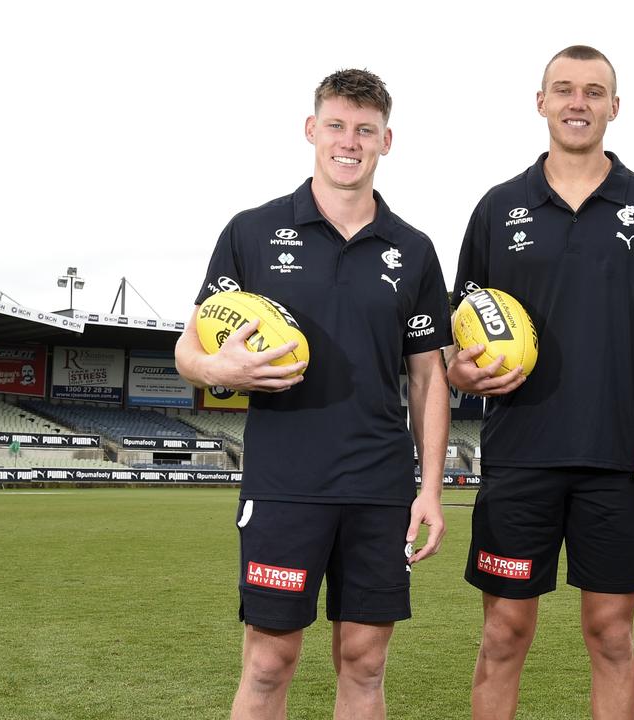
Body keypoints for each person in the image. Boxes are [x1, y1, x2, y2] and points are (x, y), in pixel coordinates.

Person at [173, 69, 451, 720]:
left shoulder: (412, 251)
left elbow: (428, 377)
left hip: (378, 488)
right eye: (336, 126)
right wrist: (225, 371)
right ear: (311, 130)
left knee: (365, 663)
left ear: (387, 141)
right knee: (269, 663)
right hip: (284, 484)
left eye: (364, 130)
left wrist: (431, 488)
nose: (348, 141)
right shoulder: (252, 232)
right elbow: (188, 351)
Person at [447, 45, 634, 720]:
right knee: (503, 634)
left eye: (593, 91)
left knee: (611, 635)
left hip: (619, 455)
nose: (578, 102)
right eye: (564, 89)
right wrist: (458, 368)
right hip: (520, 453)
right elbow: (461, 329)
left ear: (615, 107)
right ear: (541, 102)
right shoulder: (499, 208)